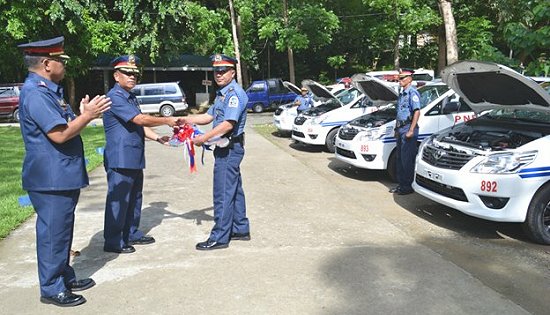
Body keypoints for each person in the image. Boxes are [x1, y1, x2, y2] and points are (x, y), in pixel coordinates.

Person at [17, 36, 112, 307]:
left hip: (60, 175)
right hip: (50, 178)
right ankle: (51, 288)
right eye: (61, 60)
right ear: (47, 64)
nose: (64, 65)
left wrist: (80, 114)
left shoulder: (49, 90)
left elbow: (65, 122)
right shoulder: (35, 93)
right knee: (52, 234)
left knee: (62, 230)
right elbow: (59, 135)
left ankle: (64, 275)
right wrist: (88, 116)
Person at [102, 55, 177, 254]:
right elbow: (140, 119)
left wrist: (157, 138)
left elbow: (139, 126)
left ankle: (131, 232)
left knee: (134, 198)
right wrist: (166, 121)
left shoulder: (130, 97)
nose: (132, 76)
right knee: (119, 200)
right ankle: (114, 241)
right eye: (127, 73)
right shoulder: (115, 97)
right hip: (120, 158)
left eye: (135, 73)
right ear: (116, 76)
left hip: (133, 156)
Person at [179, 54, 250, 250]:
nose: (219, 74)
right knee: (234, 189)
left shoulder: (234, 94)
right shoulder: (222, 93)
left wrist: (204, 138)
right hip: (226, 148)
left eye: (223, 70)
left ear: (232, 72)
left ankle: (219, 236)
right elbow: (208, 116)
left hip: (229, 148)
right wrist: (186, 120)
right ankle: (240, 228)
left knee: (223, 193)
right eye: (216, 71)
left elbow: (228, 124)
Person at [390, 69, 421, 195]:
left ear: (409, 79)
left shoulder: (412, 93)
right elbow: (399, 114)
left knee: (407, 160)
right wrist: (396, 129)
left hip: (408, 128)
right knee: (399, 159)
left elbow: (417, 112)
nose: (400, 81)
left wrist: (411, 130)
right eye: (399, 79)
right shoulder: (402, 93)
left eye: (402, 78)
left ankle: (407, 186)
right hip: (401, 128)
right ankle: (401, 185)